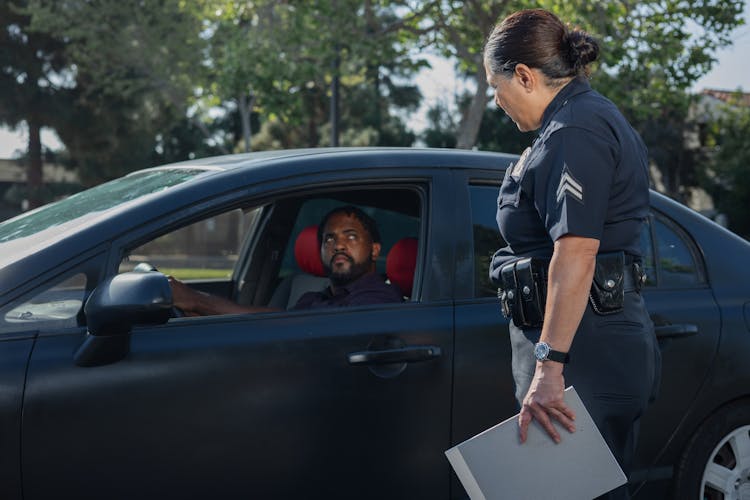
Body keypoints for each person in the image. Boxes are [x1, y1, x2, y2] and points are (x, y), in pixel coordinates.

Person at [484, 9, 660, 499]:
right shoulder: (571, 122)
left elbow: (577, 252)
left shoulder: (574, 131)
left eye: (495, 86)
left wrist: (549, 366)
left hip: (584, 349)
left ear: (524, 75)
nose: (496, 101)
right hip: (585, 343)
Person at [169, 205, 403, 315]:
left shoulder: (380, 299)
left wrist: (195, 299)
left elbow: (287, 324)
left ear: (375, 250)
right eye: (328, 239)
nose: (338, 245)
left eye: (351, 236)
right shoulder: (312, 297)